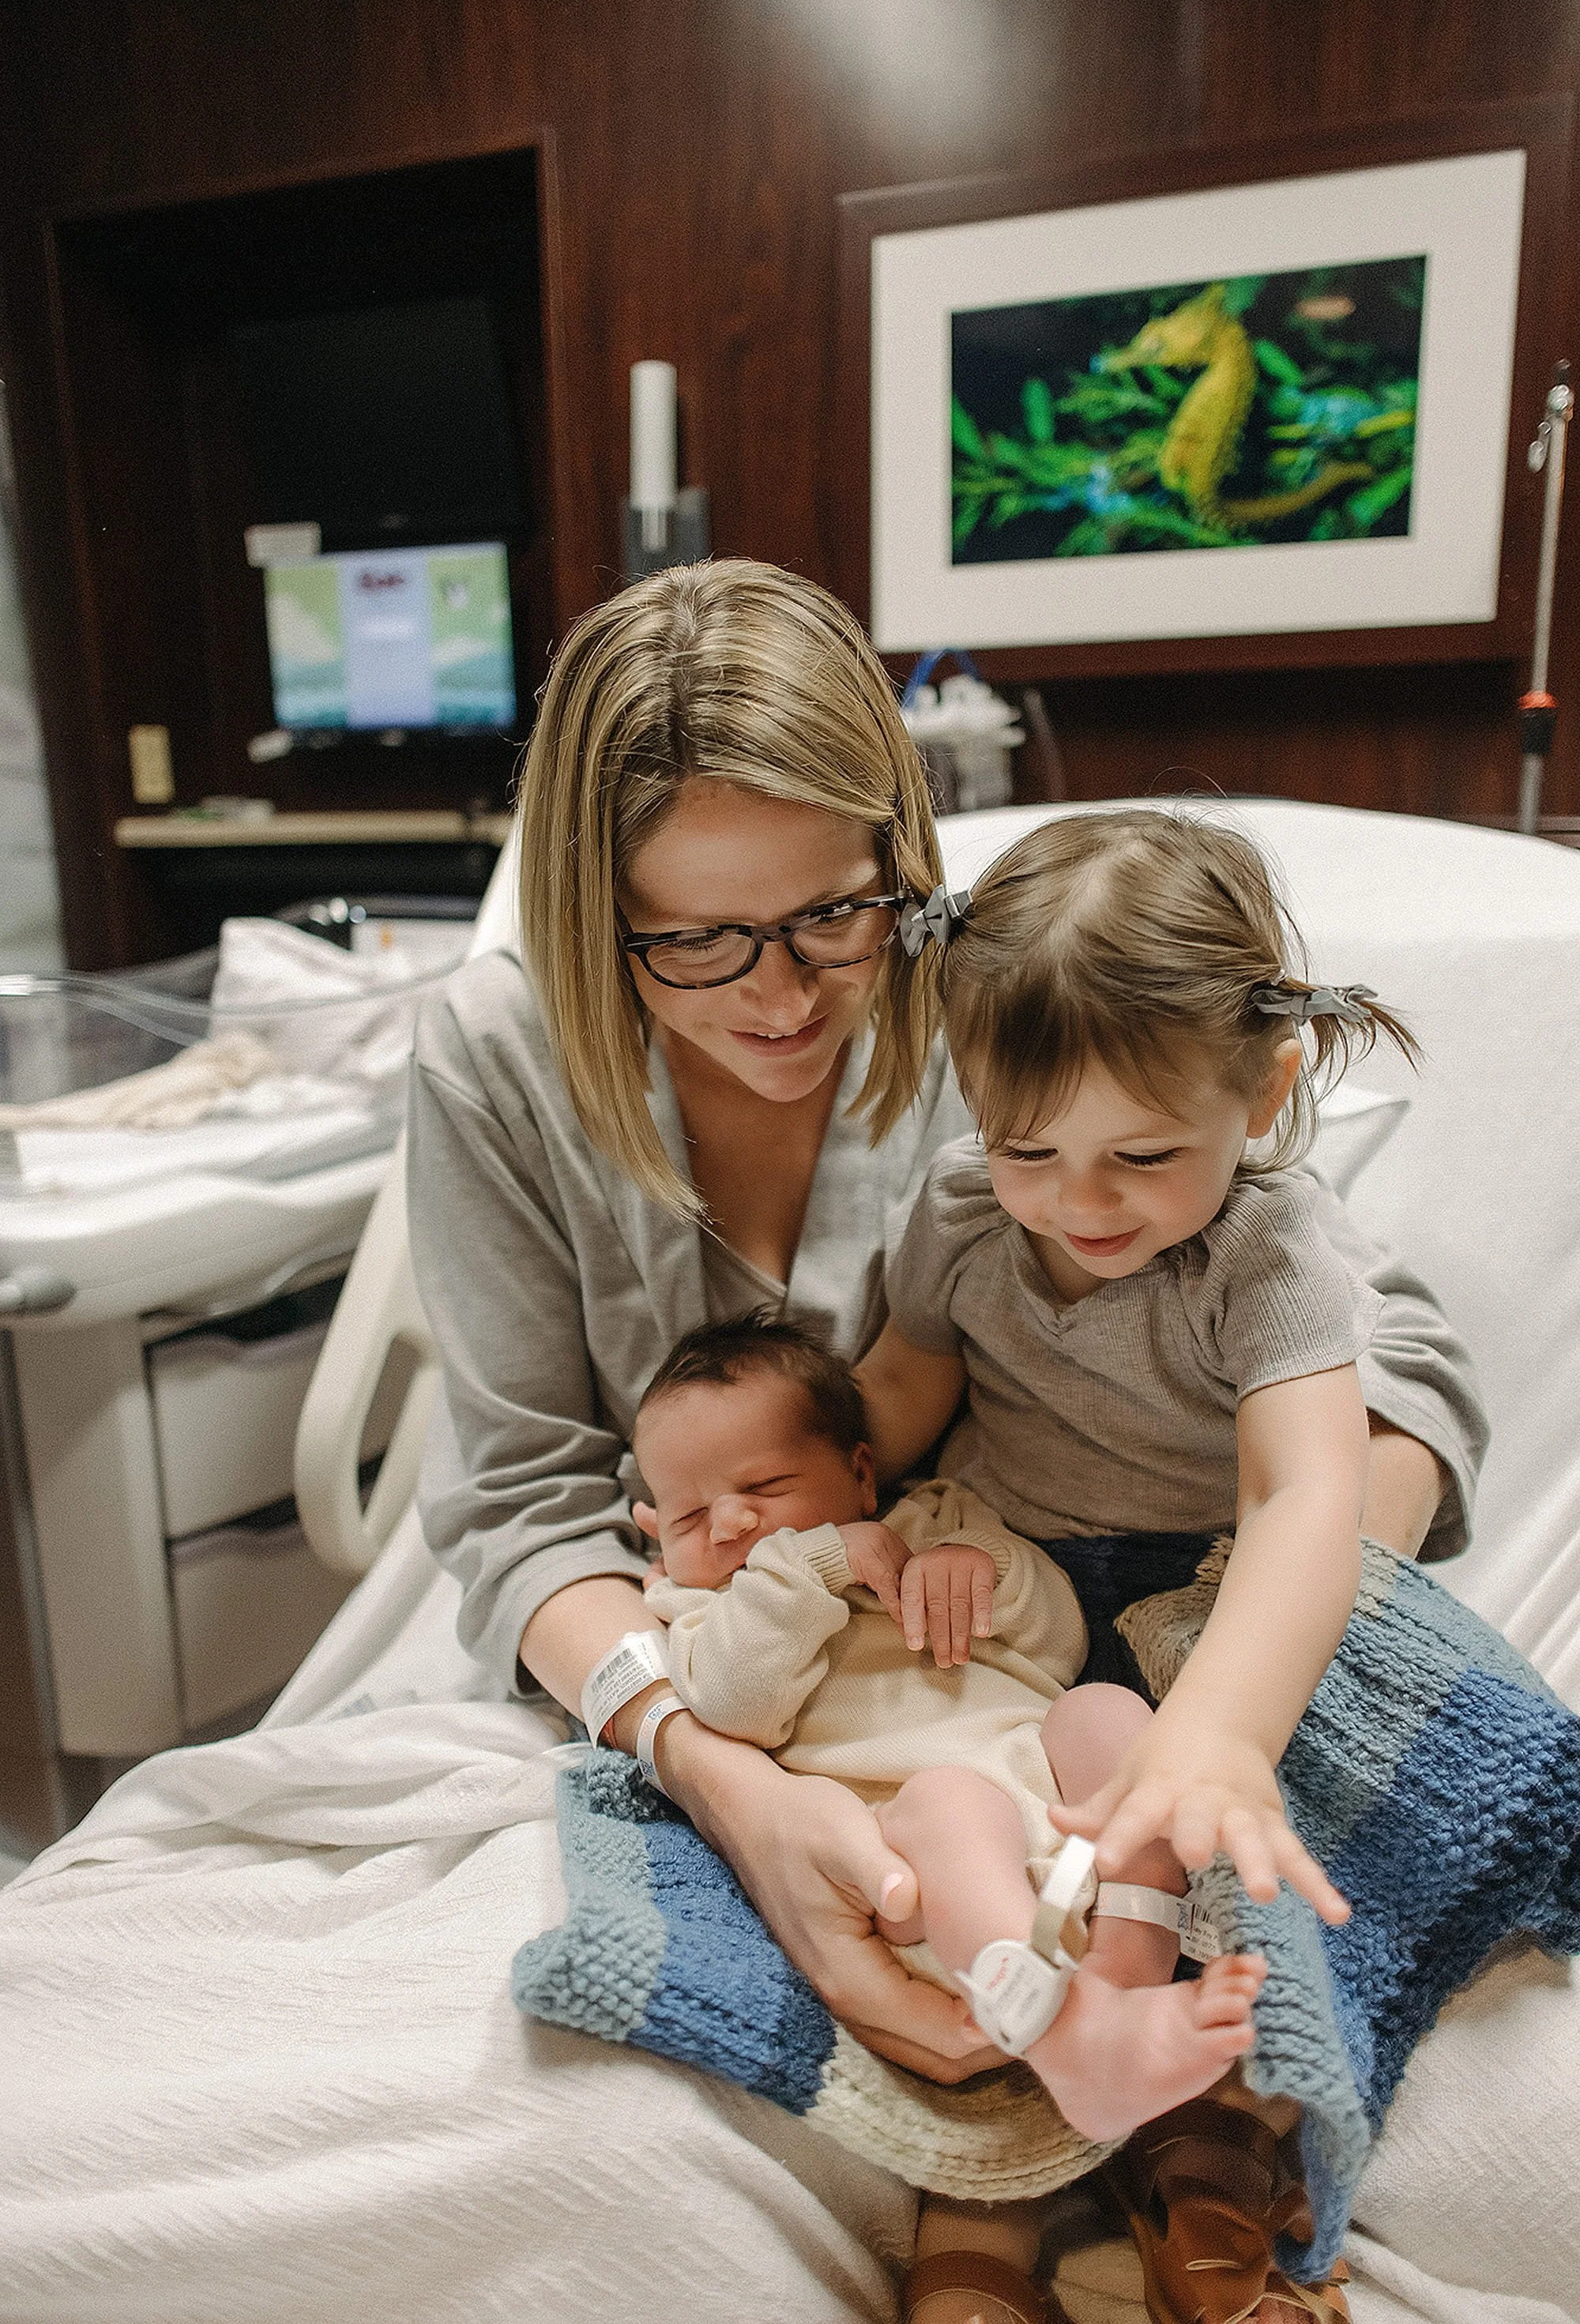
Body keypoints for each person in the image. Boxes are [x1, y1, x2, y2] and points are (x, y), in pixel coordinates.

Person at [408, 562, 1486, 2321]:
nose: (778, 998)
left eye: (833, 917)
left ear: (902, 860)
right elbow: (525, 1500)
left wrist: (1234, 1647)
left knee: (1221, 1923)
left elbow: (1377, 1349)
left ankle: (1187, 2185)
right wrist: (719, 1770)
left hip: (1045, 1632)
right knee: (581, 2169)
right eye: (691, 940)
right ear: (585, 911)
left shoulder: (994, 995)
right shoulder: (497, 1060)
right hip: (777, 1685)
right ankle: (990, 2222)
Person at [852, 807, 1443, 2318]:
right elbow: (907, 1388)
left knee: (1209, 1853)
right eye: (1028, 1143)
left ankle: (1202, 2151)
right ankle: (1006, 2150)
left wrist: (1224, 1734)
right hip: (1024, 1592)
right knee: (959, 1823)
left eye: (1144, 1154)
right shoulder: (967, 1213)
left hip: (1206, 1599)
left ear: (1265, 1089)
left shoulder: (1267, 1254)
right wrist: (800, 1504)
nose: (1081, 1200)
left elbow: (1308, 1492)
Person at [630, 1309, 1270, 2324]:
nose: (734, 1525)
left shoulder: (943, 1522)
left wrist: (987, 1575)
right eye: (689, 1513)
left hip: (1070, 1862)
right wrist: (814, 1566)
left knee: (1104, 1711)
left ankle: (1125, 1975)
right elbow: (735, 1703)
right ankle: (1064, 2030)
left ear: (858, 1471)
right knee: (950, 1797)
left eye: (761, 1488)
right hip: (938, 1895)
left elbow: (1055, 1639)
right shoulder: (700, 1611)